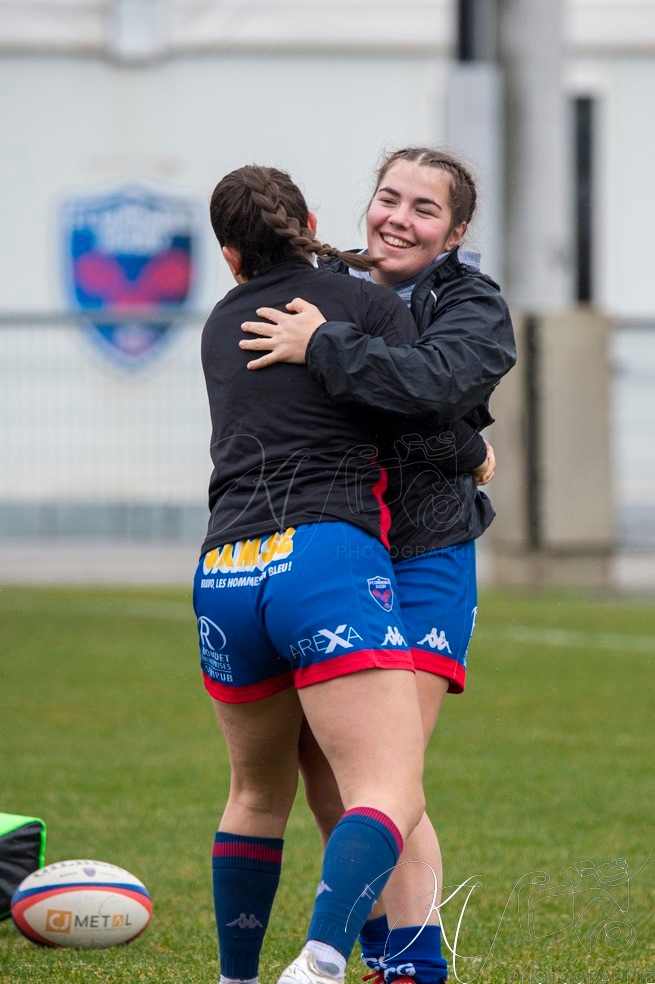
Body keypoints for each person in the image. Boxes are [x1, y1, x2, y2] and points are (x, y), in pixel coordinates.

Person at [193, 162, 491, 984]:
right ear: (326, 216)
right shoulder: (352, 298)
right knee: (386, 785)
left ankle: (266, 973)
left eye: (423, 209)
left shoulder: (222, 320)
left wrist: (319, 340)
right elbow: (433, 408)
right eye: (388, 199)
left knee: (268, 790)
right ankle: (333, 957)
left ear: (228, 255)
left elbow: (437, 376)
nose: (398, 218)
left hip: (232, 564)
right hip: (331, 557)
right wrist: (475, 452)